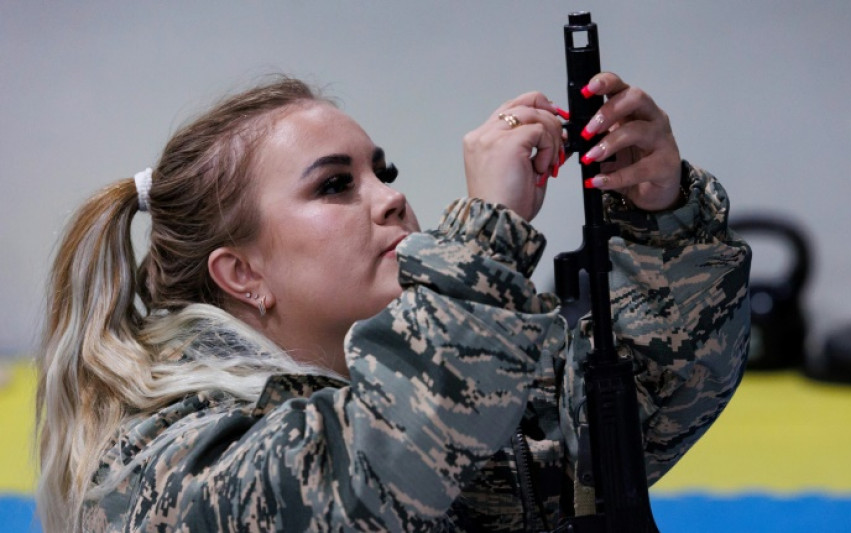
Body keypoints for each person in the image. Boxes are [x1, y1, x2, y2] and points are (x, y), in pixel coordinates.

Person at [36, 72, 750, 532]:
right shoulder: (162, 465)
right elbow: (365, 476)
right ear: (241, 273)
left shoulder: (447, 383)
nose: (393, 197)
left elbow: (631, 422)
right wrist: (485, 237)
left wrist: (664, 218)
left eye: (383, 171)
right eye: (334, 186)